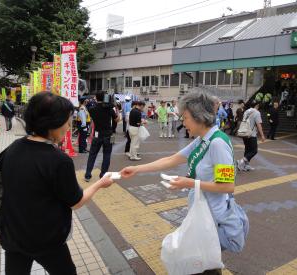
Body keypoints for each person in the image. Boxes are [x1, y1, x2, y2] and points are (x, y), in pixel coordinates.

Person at [0, 92, 114, 275]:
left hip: (13, 234)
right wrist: (99, 184)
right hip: (46, 239)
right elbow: (76, 201)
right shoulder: (59, 160)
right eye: (67, 121)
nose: (69, 126)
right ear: (52, 123)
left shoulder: (13, 147)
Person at [120, 91, 235, 274]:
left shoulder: (217, 143)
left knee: (207, 265)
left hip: (212, 218)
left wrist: (188, 183)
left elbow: (227, 186)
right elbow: (172, 159)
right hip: (200, 213)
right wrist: (136, 169)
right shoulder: (202, 140)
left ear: (199, 117)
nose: (184, 123)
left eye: (186, 117)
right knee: (202, 263)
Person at [84, 91, 117, 182]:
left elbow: (90, 110)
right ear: (105, 97)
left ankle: (87, 175)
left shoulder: (92, 109)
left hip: (97, 134)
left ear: (96, 98)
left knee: (92, 155)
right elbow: (117, 119)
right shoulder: (109, 108)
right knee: (107, 155)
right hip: (108, 135)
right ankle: (103, 175)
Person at [236, 100, 265, 171]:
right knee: (254, 151)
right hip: (251, 134)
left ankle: (246, 166)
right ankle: (241, 161)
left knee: (247, 149)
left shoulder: (246, 111)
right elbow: (259, 125)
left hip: (244, 133)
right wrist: (262, 135)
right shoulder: (257, 113)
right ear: (257, 105)